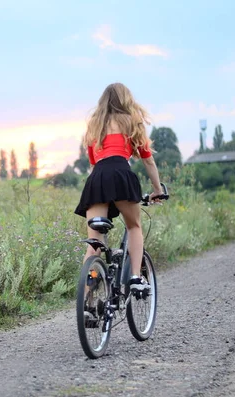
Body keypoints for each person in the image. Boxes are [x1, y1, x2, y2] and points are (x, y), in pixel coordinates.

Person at [74, 82, 164, 295]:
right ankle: (134, 277)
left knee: (94, 242)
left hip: (97, 180)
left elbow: (94, 163)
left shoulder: (94, 126)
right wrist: (157, 189)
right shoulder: (132, 122)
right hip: (122, 175)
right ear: (126, 100)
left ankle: (86, 301)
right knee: (134, 227)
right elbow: (148, 161)